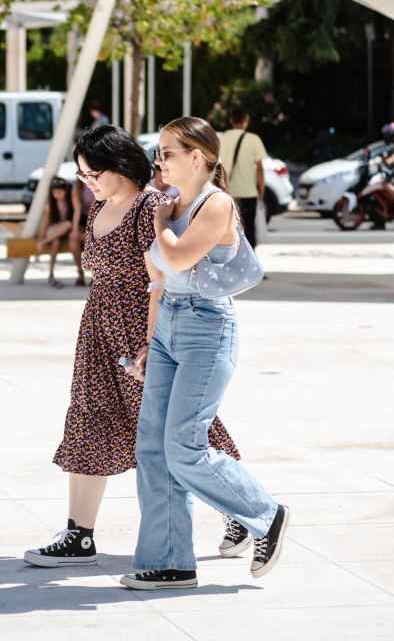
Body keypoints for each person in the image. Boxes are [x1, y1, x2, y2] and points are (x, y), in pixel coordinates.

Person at [24, 125, 241, 568]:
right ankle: (78, 534)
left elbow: (162, 282)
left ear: (120, 165)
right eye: (82, 177)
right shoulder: (100, 208)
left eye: (93, 173)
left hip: (140, 330)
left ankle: (237, 511)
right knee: (89, 419)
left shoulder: (150, 207)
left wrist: (150, 343)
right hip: (98, 330)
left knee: (183, 429)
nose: (89, 184)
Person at [120, 117, 289, 591]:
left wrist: (157, 222)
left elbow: (174, 258)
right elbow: (159, 282)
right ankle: (170, 562)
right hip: (170, 326)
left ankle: (265, 514)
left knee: (184, 447)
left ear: (198, 156)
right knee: (152, 448)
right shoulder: (176, 204)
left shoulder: (217, 204)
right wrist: (149, 345)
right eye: (158, 152)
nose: (159, 161)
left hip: (207, 330)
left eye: (168, 152)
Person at [220, 107, 266, 248]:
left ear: (231, 120)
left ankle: (230, 265)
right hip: (248, 192)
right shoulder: (254, 139)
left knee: (228, 231)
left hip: (227, 193)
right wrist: (261, 190)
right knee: (249, 231)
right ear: (246, 120)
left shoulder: (222, 139)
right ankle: (249, 265)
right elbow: (259, 168)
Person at [37, 177, 74, 289]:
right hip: (54, 230)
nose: (56, 195)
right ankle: (51, 273)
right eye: (54, 193)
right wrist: (42, 234)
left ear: (65, 192)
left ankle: (43, 242)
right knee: (56, 242)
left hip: (66, 229)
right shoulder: (51, 204)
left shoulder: (71, 202)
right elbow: (46, 220)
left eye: (59, 192)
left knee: (68, 224)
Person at [69, 177, 96, 286]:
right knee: (73, 239)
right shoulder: (76, 185)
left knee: (88, 240)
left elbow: (93, 209)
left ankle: (93, 273)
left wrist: (88, 231)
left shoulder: (97, 184)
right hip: (80, 217)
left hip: (95, 217)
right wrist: (74, 230)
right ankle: (80, 271)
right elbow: (77, 209)